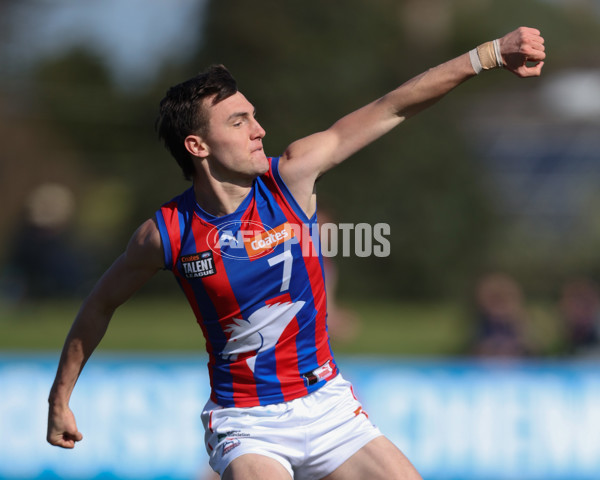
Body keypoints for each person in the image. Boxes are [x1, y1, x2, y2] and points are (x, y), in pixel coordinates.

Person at [47, 27, 546, 480]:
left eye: (254, 116)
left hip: (327, 406)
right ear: (197, 146)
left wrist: (489, 54)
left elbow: (393, 106)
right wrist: (60, 398)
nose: (258, 130)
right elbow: (100, 305)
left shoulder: (291, 177)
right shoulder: (166, 234)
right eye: (239, 121)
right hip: (247, 422)